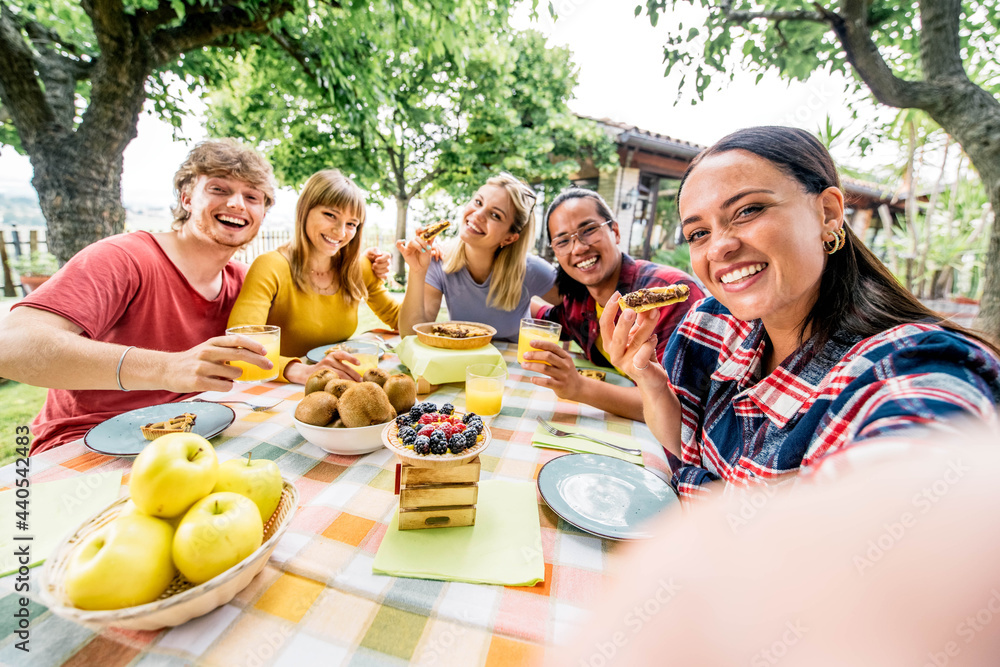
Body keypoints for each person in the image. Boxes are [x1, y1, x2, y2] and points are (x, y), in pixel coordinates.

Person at [601, 126, 1000, 498]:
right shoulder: (713, 323)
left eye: (748, 210)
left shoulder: (910, 367)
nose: (719, 247)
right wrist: (647, 377)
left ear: (827, 213)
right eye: (698, 233)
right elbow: (684, 442)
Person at [556, 426, 1000, 667]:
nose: (720, 249)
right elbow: (687, 449)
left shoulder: (900, 362)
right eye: (696, 246)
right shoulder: (723, 327)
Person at [0, 139, 280, 454]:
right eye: (219, 189)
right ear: (187, 198)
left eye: (252, 196)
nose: (237, 204)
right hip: (82, 443)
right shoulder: (124, 258)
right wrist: (166, 368)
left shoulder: (243, 280)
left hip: (192, 436)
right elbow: (11, 347)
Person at [525, 188, 704, 421]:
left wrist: (578, 387)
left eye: (588, 230)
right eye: (562, 241)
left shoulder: (667, 295)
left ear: (615, 232)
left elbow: (681, 406)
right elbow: (546, 317)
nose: (578, 248)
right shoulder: (578, 301)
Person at [228, 169, 399, 384]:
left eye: (351, 224)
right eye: (330, 215)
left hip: (338, 385)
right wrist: (299, 371)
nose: (340, 231)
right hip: (281, 388)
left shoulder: (358, 268)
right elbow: (240, 348)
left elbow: (400, 320)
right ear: (304, 211)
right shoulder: (271, 266)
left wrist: (418, 267)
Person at [396, 172, 560, 341]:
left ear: (509, 238)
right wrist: (417, 271)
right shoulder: (437, 260)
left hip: (513, 365)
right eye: (478, 202)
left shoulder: (531, 270)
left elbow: (580, 308)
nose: (478, 215)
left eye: (495, 215)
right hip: (462, 363)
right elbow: (410, 336)